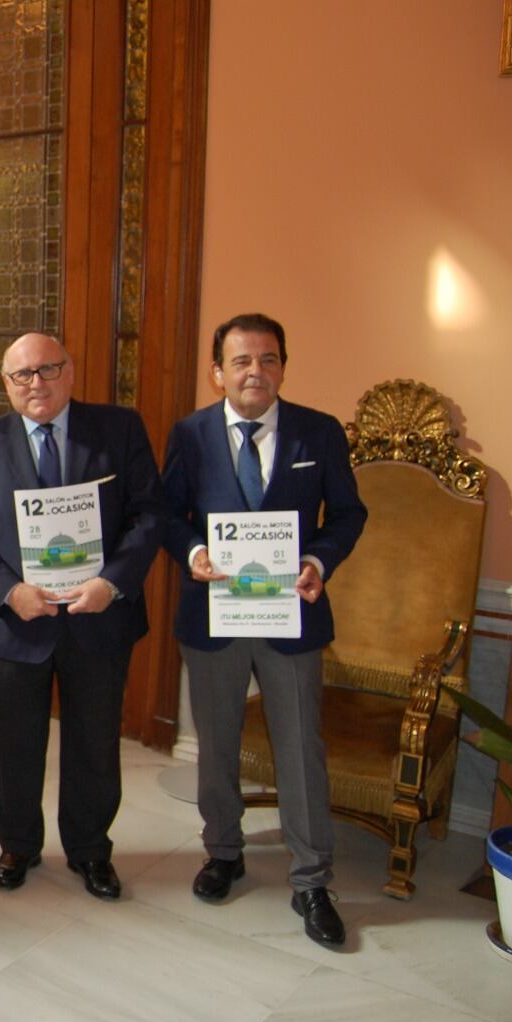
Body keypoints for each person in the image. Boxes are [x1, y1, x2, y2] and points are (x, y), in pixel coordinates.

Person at [161, 312, 367, 947]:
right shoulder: (190, 434)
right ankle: (223, 852)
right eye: (242, 360)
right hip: (215, 618)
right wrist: (194, 553)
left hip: (291, 616)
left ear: (283, 365)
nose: (256, 371)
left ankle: (311, 880)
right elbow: (167, 514)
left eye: (269, 359)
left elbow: (349, 513)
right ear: (217, 371)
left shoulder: (319, 432)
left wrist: (316, 561)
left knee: (300, 749)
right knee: (216, 743)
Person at [0, 333, 164, 900]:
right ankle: (18, 844)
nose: (35, 383)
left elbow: (148, 515)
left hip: (99, 618)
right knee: (14, 743)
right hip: (18, 622)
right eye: (22, 375)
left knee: (95, 742)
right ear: (6, 384)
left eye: (48, 369)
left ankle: (91, 850)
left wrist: (112, 583)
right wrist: (8, 590)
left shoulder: (119, 429)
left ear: (70, 371)